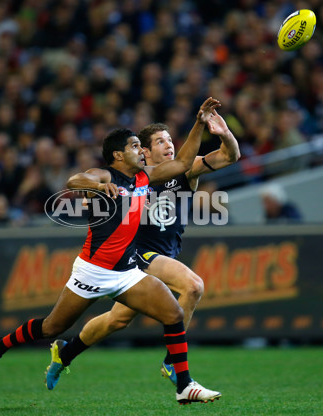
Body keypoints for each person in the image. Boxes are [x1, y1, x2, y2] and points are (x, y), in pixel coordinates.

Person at [0, 97, 223, 404]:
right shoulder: (107, 175)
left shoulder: (145, 176)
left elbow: (183, 164)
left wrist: (199, 123)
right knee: (52, 327)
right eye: (134, 146)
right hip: (94, 270)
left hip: (127, 271)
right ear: (118, 155)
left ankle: (183, 386)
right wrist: (93, 186)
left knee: (173, 313)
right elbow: (75, 179)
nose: (140, 151)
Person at [49, 112, 240, 387]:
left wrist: (223, 132)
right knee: (193, 286)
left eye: (170, 139)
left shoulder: (186, 169)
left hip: (163, 255)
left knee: (116, 321)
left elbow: (230, 156)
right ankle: (173, 364)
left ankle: (64, 353)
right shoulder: (134, 177)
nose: (169, 145)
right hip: (137, 253)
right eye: (161, 141)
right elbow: (88, 188)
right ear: (145, 152)